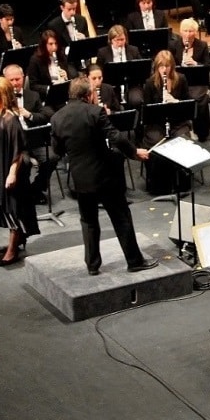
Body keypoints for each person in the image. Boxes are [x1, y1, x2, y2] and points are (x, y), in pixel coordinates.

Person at [51, 77, 157, 276]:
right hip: (105, 176)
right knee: (121, 217)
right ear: (87, 95)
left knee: (88, 221)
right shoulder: (95, 112)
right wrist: (134, 152)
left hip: (80, 178)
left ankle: (92, 265)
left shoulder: (57, 118)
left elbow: (57, 150)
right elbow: (116, 137)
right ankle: (134, 261)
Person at [0, 77, 39, 266]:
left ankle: (13, 249)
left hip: (8, 166)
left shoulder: (10, 119)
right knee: (2, 203)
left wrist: (12, 173)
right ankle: (17, 239)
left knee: (13, 206)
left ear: (2, 96)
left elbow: (18, 149)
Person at [141, 50, 192, 195]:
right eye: (161, 66)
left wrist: (175, 102)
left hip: (178, 122)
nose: (164, 69)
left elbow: (188, 105)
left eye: (167, 66)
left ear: (172, 66)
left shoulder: (181, 79)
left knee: (182, 140)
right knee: (156, 142)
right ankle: (160, 186)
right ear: (157, 67)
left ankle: (181, 183)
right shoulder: (150, 83)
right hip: (157, 124)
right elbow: (146, 111)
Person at [2, 65, 53, 204]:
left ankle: (36, 189)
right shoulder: (2, 98)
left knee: (52, 157)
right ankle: (21, 194)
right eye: (11, 80)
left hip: (33, 140)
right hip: (14, 144)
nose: (15, 83)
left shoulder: (33, 95)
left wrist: (29, 115)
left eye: (17, 79)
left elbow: (44, 116)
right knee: (24, 162)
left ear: (23, 78)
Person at [169, 18, 210, 142]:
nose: (188, 34)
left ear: (196, 32)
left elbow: (207, 66)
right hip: (179, 81)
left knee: (199, 100)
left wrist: (195, 63)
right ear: (181, 32)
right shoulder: (173, 45)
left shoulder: (202, 45)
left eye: (191, 31)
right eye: (185, 31)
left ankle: (201, 131)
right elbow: (170, 65)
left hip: (197, 81)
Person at [25, 30, 75, 102]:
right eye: (50, 44)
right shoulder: (35, 60)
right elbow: (33, 85)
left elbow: (70, 77)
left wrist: (66, 77)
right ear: (44, 45)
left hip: (63, 92)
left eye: (56, 43)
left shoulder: (61, 56)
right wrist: (49, 89)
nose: (54, 47)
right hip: (47, 97)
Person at [0, 3, 25, 72]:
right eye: (7, 20)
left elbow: (25, 50)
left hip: (18, 65)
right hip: (3, 68)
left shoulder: (18, 31)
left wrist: (21, 48)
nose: (10, 23)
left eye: (11, 19)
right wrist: (9, 64)